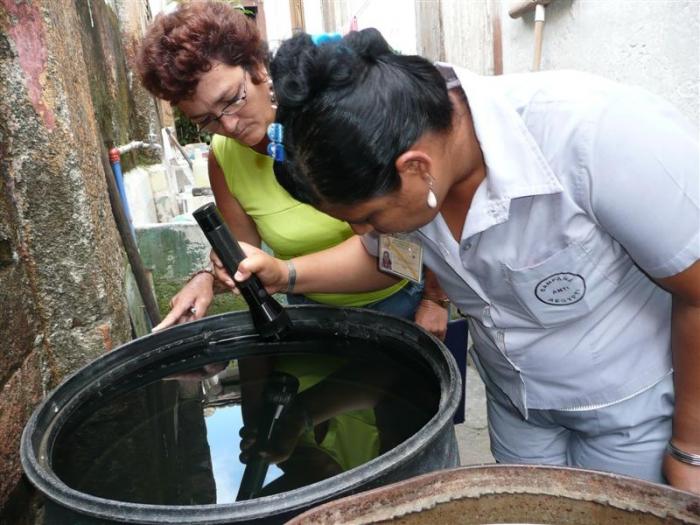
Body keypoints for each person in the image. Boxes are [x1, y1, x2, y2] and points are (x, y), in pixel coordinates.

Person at [229, 28, 700, 493]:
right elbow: (388, 261)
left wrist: (690, 449)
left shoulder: (598, 137)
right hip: (520, 409)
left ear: (416, 167)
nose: (363, 232)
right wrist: (285, 274)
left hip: (628, 415)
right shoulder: (403, 165)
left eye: (368, 217)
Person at [136, 1, 449, 339]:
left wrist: (436, 297)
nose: (229, 125)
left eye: (233, 99)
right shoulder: (225, 157)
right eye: (207, 120)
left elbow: (406, 247)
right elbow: (243, 256)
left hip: (396, 303)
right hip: (309, 311)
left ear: (257, 66)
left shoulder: (334, 118)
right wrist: (208, 278)